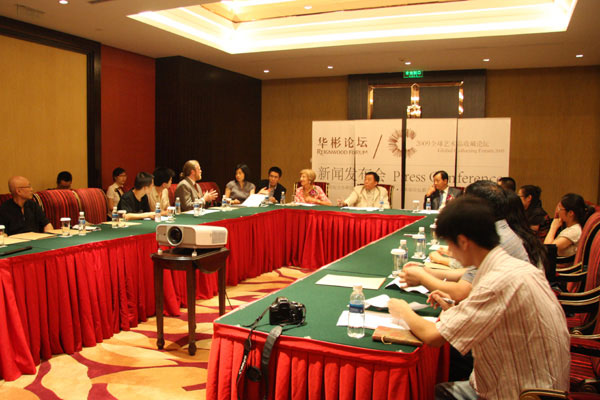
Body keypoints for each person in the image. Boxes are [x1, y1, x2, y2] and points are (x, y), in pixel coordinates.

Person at [388, 196, 570, 400]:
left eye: (450, 244)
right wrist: (453, 308)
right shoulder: (508, 265)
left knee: (437, 390)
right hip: (543, 384)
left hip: (522, 393)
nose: (450, 253)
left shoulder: (495, 282)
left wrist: (402, 310)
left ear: (464, 242)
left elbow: (433, 337)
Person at [400, 180, 529, 302]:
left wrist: (422, 278)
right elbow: (472, 272)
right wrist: (428, 272)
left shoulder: (496, 240)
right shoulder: (500, 229)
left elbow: (460, 293)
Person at [544, 193, 594, 257]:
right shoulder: (570, 227)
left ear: (570, 213)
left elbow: (547, 249)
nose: (557, 212)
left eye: (560, 209)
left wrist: (553, 227)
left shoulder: (574, 231)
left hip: (561, 265)